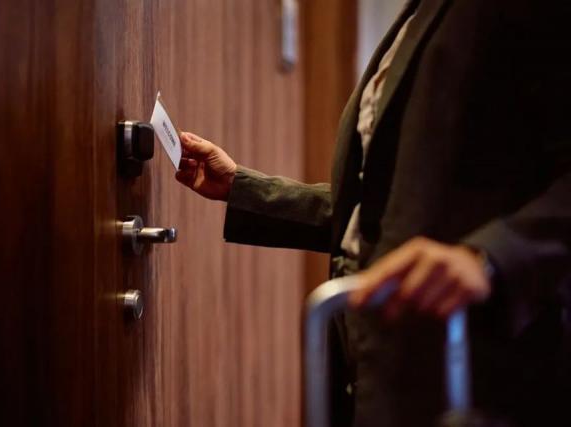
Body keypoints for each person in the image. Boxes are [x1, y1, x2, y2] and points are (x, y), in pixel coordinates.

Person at [176, 0, 571, 425]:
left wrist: (490, 258)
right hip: (374, 364)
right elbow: (382, 211)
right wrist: (245, 189)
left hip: (475, 369)